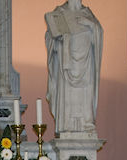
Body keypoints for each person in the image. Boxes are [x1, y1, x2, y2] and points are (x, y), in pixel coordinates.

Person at [44, 0, 103, 136]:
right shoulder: (60, 13)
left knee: (86, 93)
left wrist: (91, 25)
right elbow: (49, 38)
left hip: (86, 65)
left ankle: (87, 124)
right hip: (66, 65)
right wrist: (56, 39)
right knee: (67, 96)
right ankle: (66, 125)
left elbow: (98, 34)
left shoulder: (87, 13)